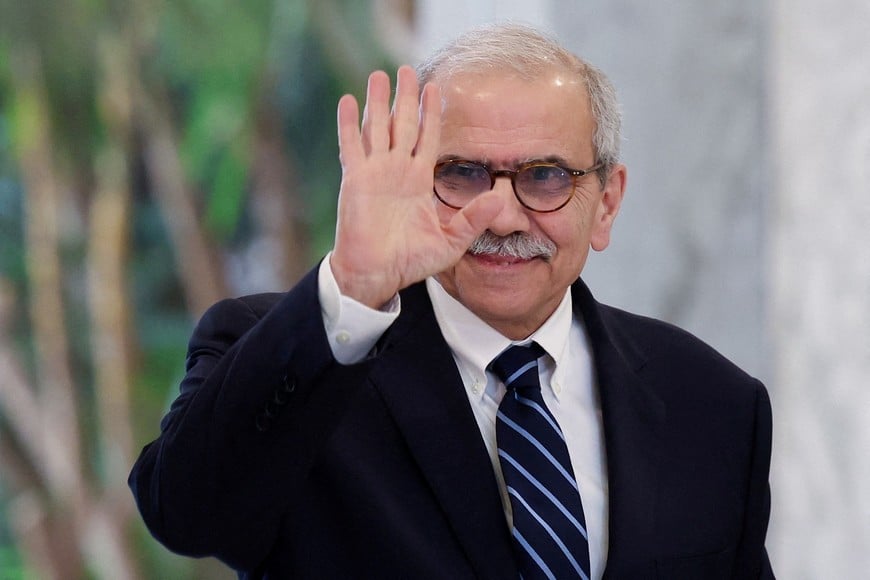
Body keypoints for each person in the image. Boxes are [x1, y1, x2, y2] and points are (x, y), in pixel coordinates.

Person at [129, 23, 775, 579]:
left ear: (605, 203)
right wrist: (353, 288)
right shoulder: (297, 355)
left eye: (544, 177)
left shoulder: (715, 405)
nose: (499, 216)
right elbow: (184, 515)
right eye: (462, 175)